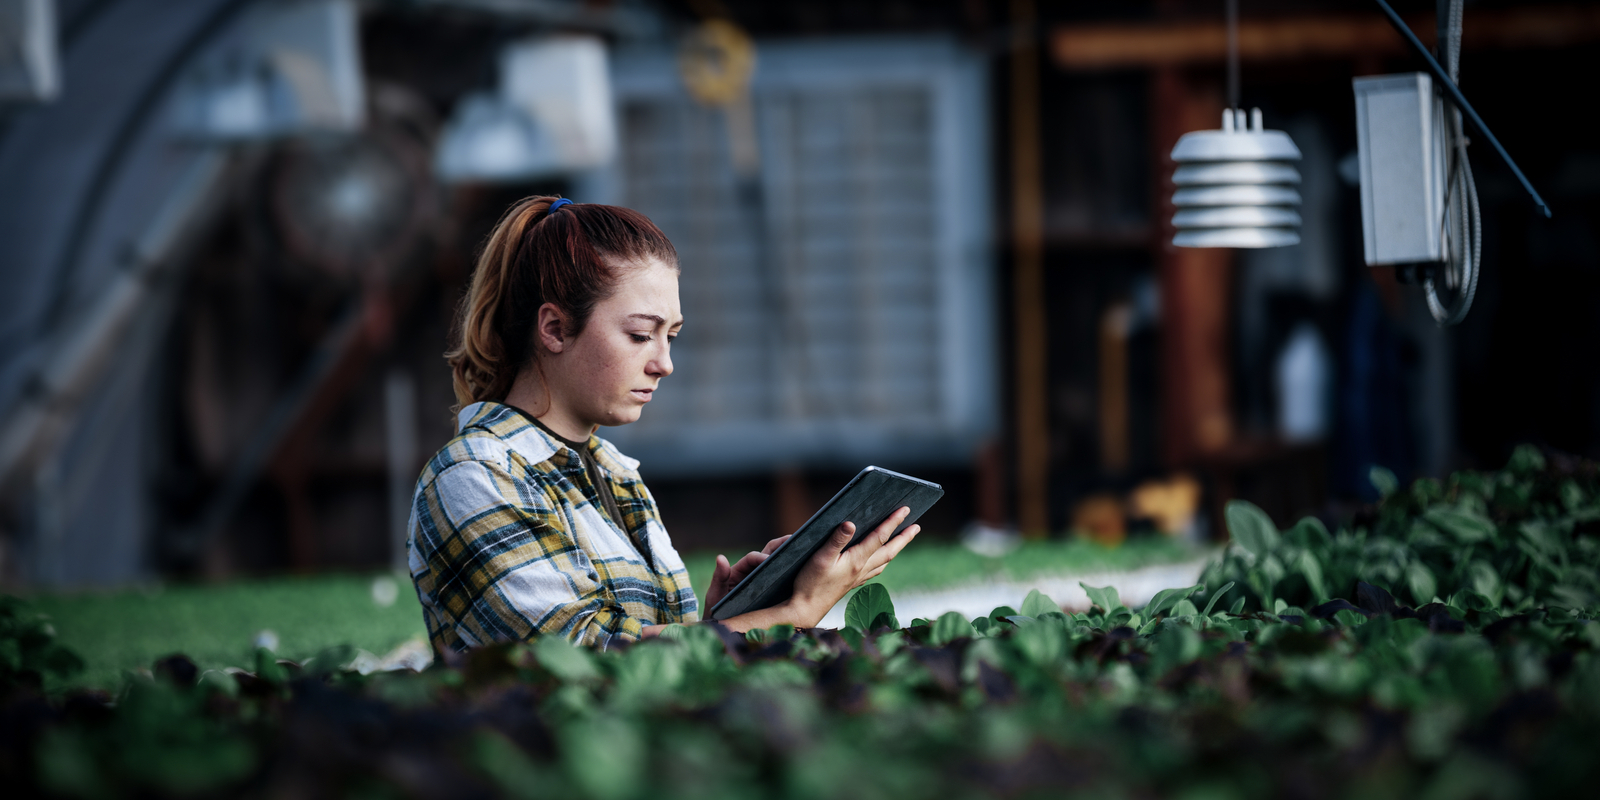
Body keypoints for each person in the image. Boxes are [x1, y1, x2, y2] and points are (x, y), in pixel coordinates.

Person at [408, 196, 920, 652]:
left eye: (671, 336)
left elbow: (656, 658)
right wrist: (791, 616)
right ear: (555, 328)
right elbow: (584, 661)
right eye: (639, 335)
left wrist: (727, 619)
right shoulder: (473, 476)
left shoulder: (614, 472)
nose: (664, 363)